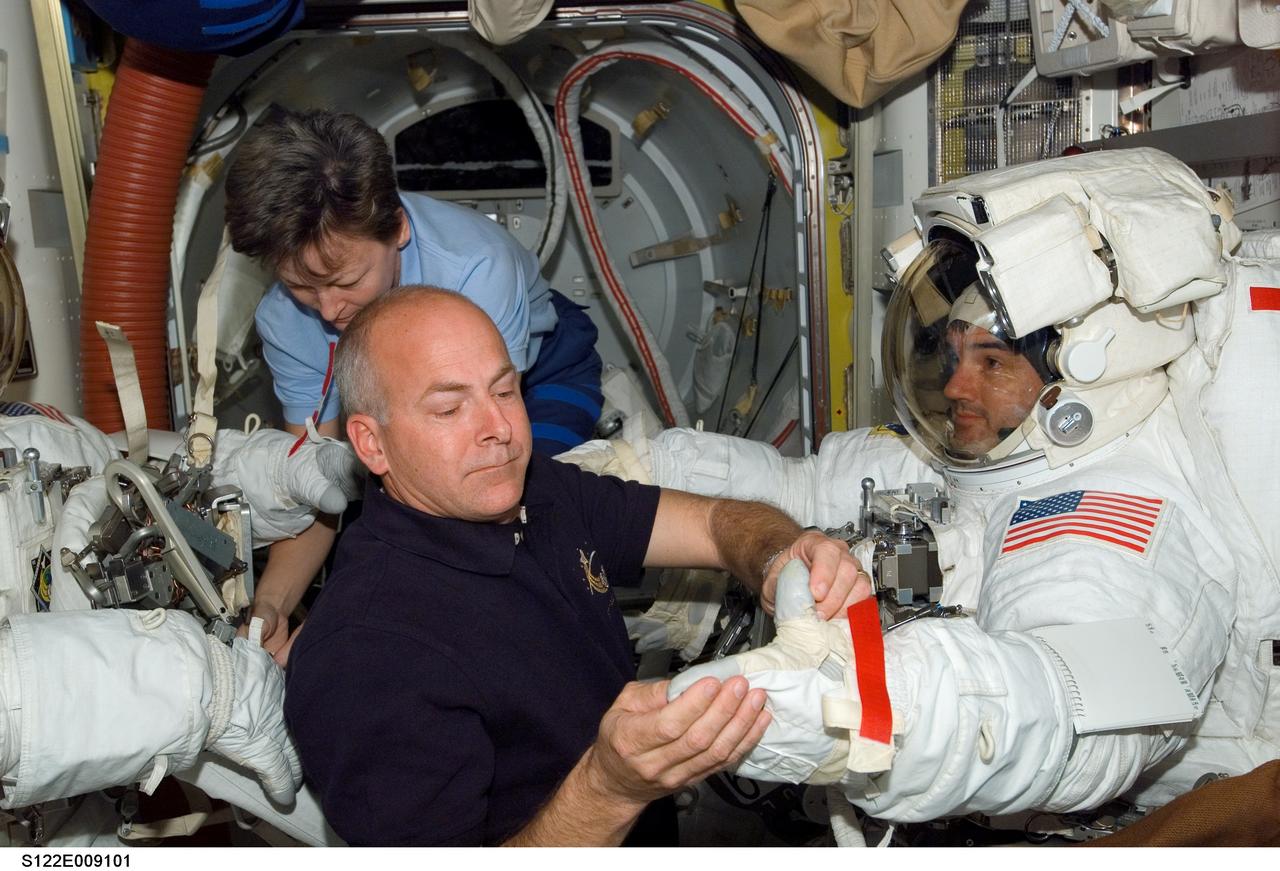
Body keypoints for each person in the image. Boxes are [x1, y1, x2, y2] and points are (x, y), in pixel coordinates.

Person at [582, 148, 1280, 832]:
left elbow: (1061, 713)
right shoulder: (969, 451)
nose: (953, 388)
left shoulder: (1112, 515)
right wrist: (630, 478)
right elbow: (802, 483)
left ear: (1089, 368)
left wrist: (859, 708)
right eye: (950, 356)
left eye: (991, 362)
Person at [282, 285, 870, 846]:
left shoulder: (533, 490)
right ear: (371, 443)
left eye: (505, 391)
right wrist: (611, 787)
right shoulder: (365, 659)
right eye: (449, 408)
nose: (502, 431)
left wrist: (782, 553)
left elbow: (713, 523)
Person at [223, 108, 605, 660]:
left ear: (397, 229)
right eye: (302, 286)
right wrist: (275, 603)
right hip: (390, 395)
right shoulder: (287, 321)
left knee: (522, 518)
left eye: (346, 280)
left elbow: (480, 450)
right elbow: (317, 484)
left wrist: (348, 612)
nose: (329, 310)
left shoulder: (477, 268)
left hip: (533, 376)